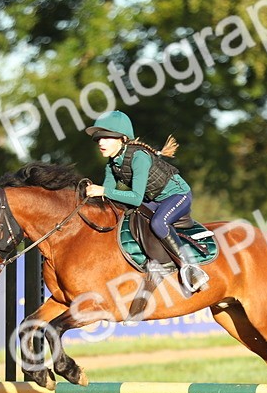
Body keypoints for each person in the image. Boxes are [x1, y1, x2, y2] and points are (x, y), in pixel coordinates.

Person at [83, 110, 210, 292]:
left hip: (178, 196)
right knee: (131, 219)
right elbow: (108, 198)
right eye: (98, 139)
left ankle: (191, 269)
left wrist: (102, 190)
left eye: (107, 138)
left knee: (159, 222)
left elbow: (134, 197)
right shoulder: (111, 165)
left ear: (123, 139)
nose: (101, 142)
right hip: (154, 200)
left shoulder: (139, 157)